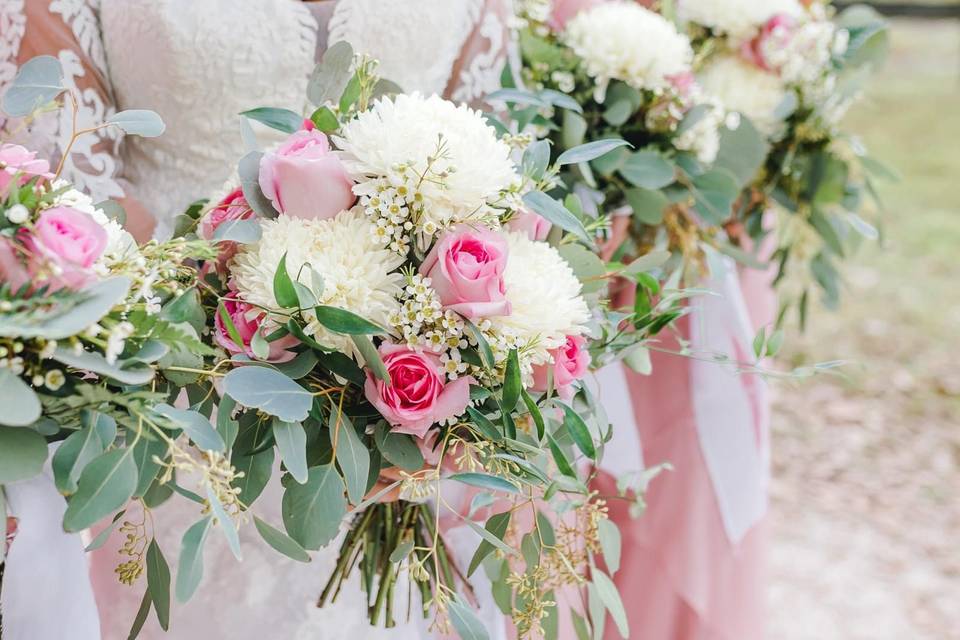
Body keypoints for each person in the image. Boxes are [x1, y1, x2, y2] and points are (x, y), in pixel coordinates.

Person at [0, 2, 511, 638]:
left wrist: (429, 359)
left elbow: (496, 157)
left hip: (402, 415)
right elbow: (59, 180)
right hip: (167, 397)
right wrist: (231, 304)